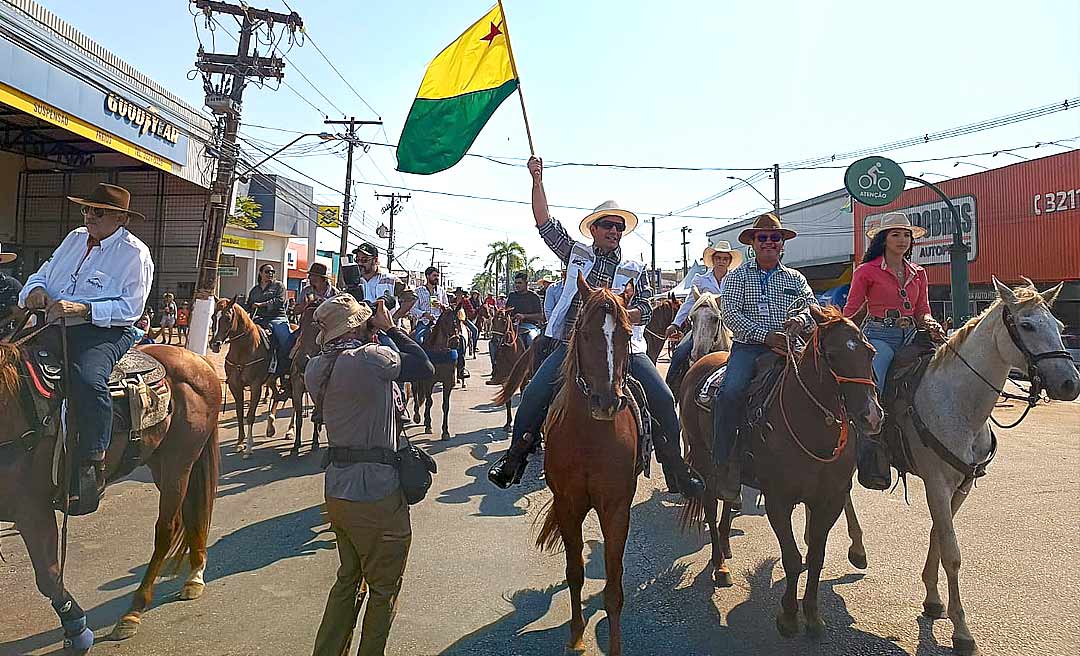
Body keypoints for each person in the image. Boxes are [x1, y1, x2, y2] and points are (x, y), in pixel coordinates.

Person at [488, 156, 705, 499]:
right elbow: (544, 223)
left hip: (622, 347)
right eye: (607, 226)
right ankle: (515, 458)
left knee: (664, 398)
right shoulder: (576, 254)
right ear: (593, 230)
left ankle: (674, 466)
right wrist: (537, 181)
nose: (614, 231)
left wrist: (624, 316)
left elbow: (646, 307)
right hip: (571, 345)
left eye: (618, 227)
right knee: (534, 393)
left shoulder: (634, 268)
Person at [305, 295, 433, 656]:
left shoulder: (316, 367)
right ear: (357, 327)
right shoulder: (372, 359)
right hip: (377, 494)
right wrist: (390, 328)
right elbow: (423, 366)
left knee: (348, 579)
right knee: (383, 589)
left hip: (338, 490)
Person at [18, 183, 153, 515]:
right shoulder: (75, 238)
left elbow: (131, 308)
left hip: (103, 331)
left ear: (121, 218)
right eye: (87, 209)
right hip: (53, 324)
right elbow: (43, 274)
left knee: (88, 379)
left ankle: (91, 461)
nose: (90, 216)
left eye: (99, 211)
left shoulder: (135, 254)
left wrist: (84, 309)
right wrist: (35, 290)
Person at [711, 213, 815, 500]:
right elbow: (731, 314)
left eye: (775, 238)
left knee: (823, 386)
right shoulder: (737, 276)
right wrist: (766, 336)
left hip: (791, 346)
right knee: (730, 393)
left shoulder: (796, 278)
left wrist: (800, 321)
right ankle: (723, 463)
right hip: (749, 347)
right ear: (753, 243)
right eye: (763, 238)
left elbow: (811, 308)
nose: (769, 242)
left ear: (782, 244)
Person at [843, 212, 941, 490]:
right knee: (877, 379)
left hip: (911, 335)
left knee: (943, 369)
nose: (902, 240)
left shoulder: (918, 273)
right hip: (878, 336)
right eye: (895, 234)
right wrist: (839, 331)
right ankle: (869, 441)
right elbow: (851, 309)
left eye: (906, 235)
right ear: (883, 239)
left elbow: (922, 310)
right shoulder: (866, 271)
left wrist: (930, 323)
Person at [664, 241, 743, 389]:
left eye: (725, 258)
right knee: (680, 352)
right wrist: (676, 323)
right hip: (701, 325)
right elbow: (689, 303)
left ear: (729, 261)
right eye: (718, 258)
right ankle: (671, 387)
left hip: (729, 327)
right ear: (713, 260)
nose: (721, 261)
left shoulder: (736, 280)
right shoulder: (700, 279)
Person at [487, 271, 544, 375]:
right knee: (493, 343)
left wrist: (524, 316)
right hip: (512, 326)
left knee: (531, 340)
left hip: (530, 326)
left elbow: (540, 315)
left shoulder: (533, 297)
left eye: (519, 283)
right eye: (516, 283)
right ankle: (495, 370)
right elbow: (507, 311)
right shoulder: (512, 296)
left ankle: (534, 370)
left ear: (526, 283)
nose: (517, 285)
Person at [245, 263, 291, 376]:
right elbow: (249, 304)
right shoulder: (255, 290)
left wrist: (262, 305)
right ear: (260, 273)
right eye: (267, 271)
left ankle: (286, 369)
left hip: (277, 318)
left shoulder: (279, 286)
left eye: (272, 272)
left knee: (287, 341)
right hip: (259, 318)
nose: (270, 273)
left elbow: (279, 301)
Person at [409, 266, 449, 346]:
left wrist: (441, 305)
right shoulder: (418, 291)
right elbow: (413, 309)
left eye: (438, 276)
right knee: (418, 339)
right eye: (434, 275)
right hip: (424, 322)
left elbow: (447, 307)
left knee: (452, 340)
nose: (437, 278)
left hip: (439, 322)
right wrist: (424, 314)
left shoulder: (441, 291)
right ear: (427, 276)